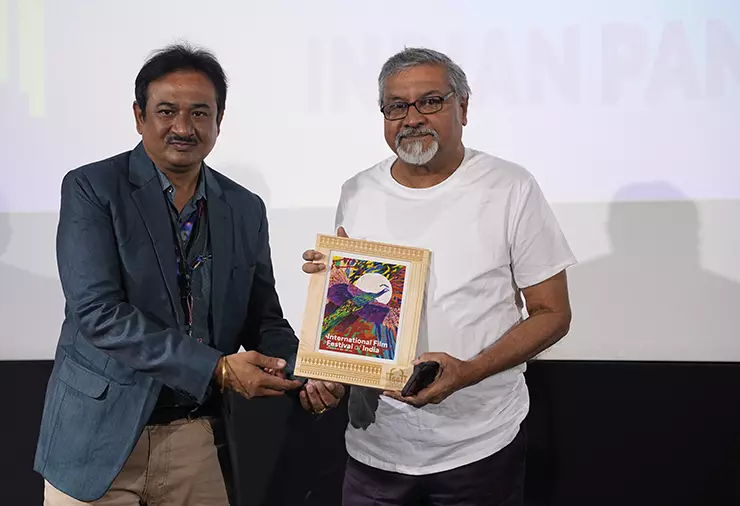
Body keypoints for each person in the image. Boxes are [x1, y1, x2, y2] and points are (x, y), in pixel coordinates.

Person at [34, 43, 345, 506]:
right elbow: (98, 314)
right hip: (96, 439)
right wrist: (216, 368)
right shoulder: (92, 188)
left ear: (220, 120)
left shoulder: (244, 208)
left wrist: (311, 372)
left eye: (200, 113)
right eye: (167, 111)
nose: (183, 127)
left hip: (196, 439)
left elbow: (262, 320)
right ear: (139, 116)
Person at [302, 47, 576, 505]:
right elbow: (358, 317)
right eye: (396, 106)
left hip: (479, 447)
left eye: (430, 101)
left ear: (462, 108)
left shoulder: (510, 187)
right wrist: (331, 308)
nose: (412, 118)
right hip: (375, 447)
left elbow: (553, 314)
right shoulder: (358, 191)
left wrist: (468, 372)